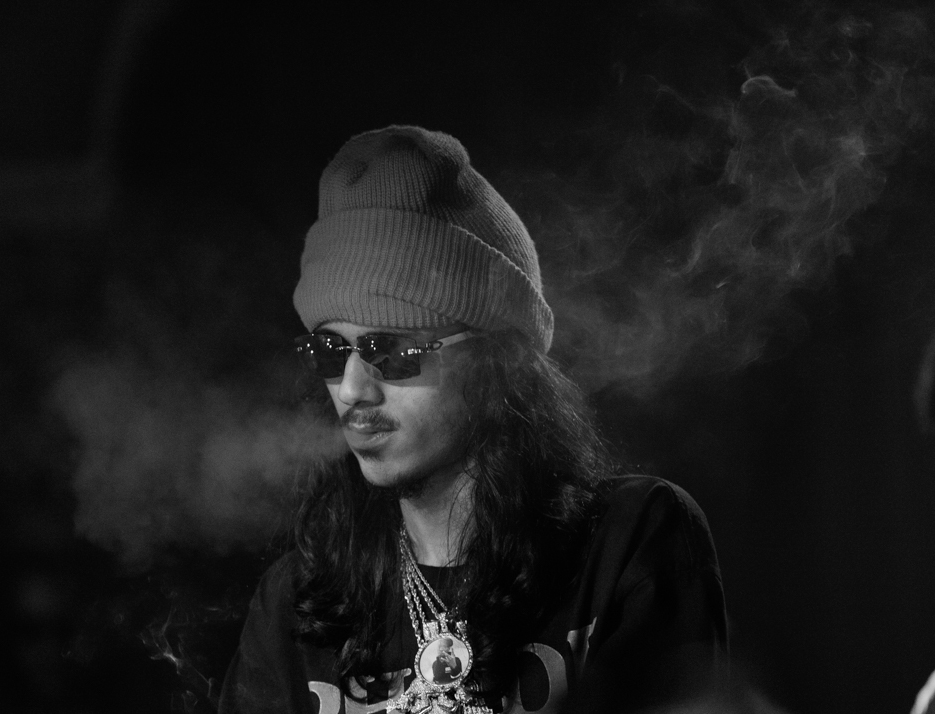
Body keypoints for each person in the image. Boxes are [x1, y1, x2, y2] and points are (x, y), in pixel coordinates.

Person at [218, 126, 728, 714]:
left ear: (496, 361)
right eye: (331, 353)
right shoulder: (296, 599)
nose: (353, 390)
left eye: (393, 350)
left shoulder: (627, 542)